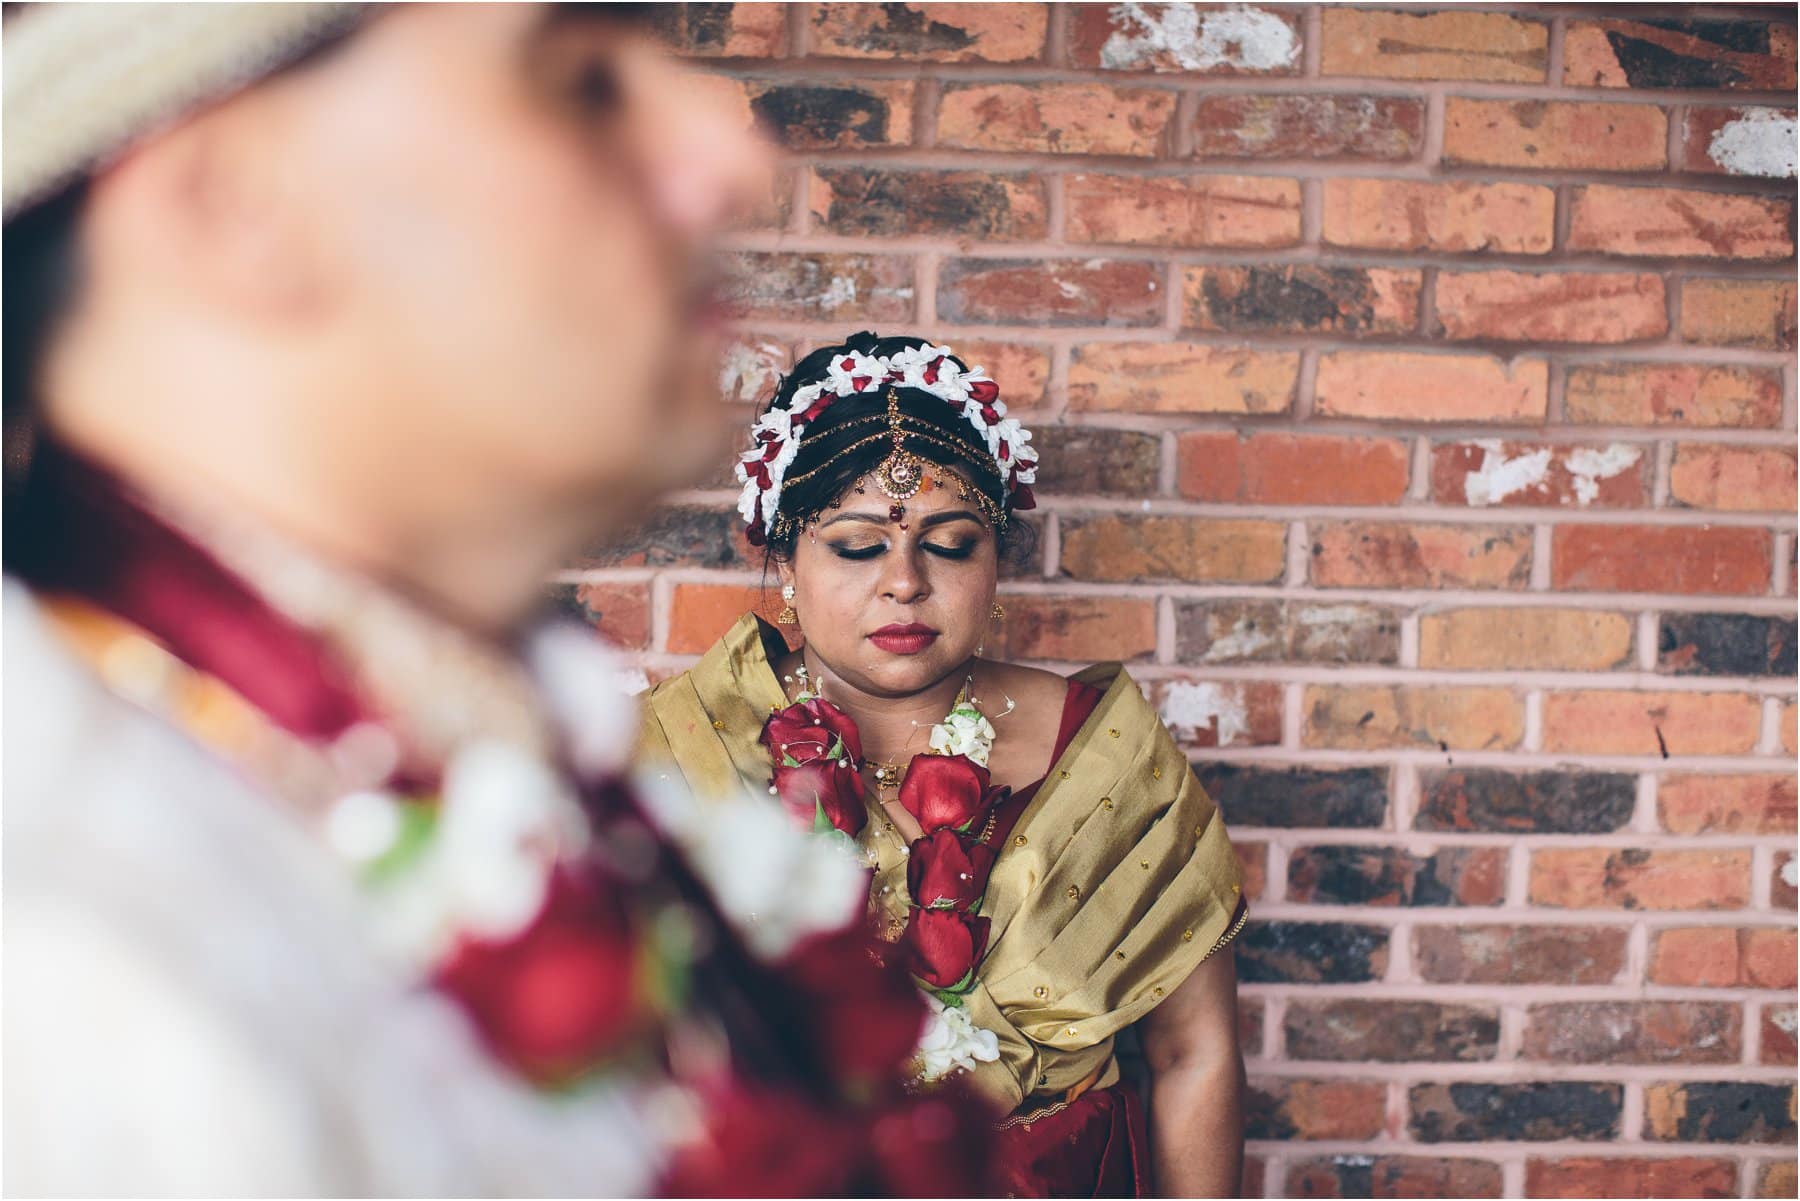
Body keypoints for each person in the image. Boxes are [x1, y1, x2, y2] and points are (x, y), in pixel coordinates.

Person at [3, 7, 990, 1195]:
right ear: (230, 201)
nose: (732, 160)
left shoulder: (491, 762)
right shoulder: (69, 945)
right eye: (576, 81)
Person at [639, 331, 1250, 1198]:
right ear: (788, 559)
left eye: (951, 542)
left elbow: (1195, 1051)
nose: (904, 580)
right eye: (856, 546)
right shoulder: (680, 749)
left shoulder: (1102, 753)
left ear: (996, 558)